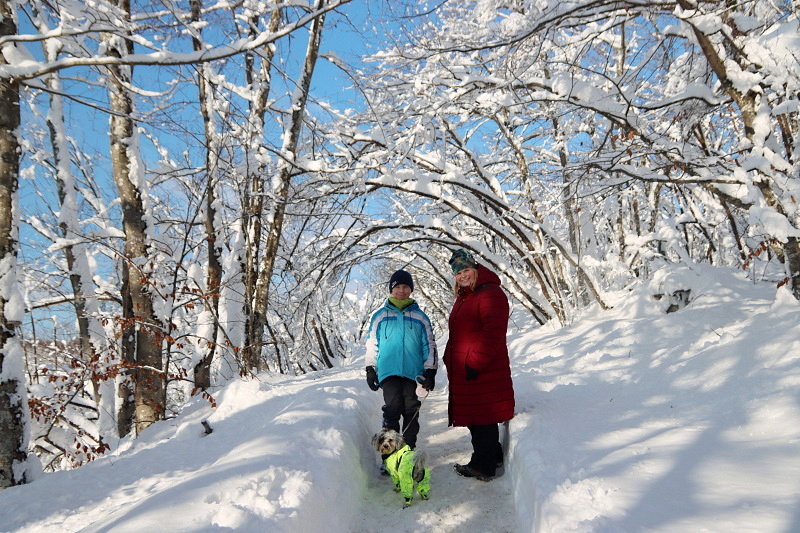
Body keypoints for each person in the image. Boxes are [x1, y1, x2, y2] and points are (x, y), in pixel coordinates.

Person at [443, 248, 514, 480]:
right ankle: (491, 456)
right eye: (458, 273)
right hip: (467, 369)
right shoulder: (466, 296)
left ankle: (483, 466)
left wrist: (474, 362)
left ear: (475, 269)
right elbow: (459, 333)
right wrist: (449, 357)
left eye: (465, 270)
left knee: (482, 418)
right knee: (477, 418)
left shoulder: (489, 294)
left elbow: (492, 333)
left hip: (482, 368)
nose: (462, 275)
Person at [365, 269, 438, 451]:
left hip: (413, 373)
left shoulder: (420, 317)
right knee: (392, 409)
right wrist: (370, 368)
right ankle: (390, 455)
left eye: (406, 286)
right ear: (391, 289)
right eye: (397, 287)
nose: (402, 290)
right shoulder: (380, 316)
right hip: (388, 372)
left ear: (411, 289)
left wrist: (430, 370)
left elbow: (429, 345)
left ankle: (407, 452)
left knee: (411, 410)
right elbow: (372, 344)